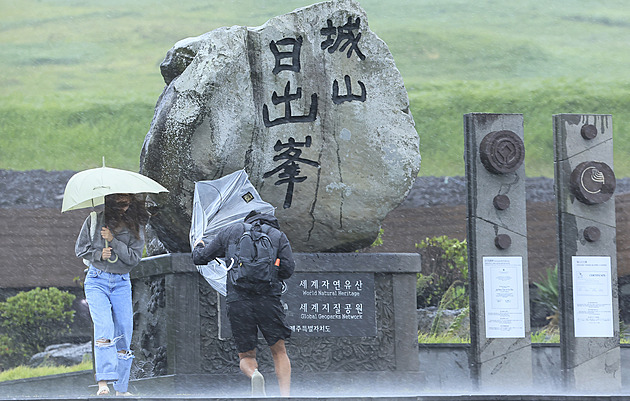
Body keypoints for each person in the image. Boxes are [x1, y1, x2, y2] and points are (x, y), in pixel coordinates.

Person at [192, 210, 295, 397]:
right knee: (279, 351)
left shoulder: (231, 231)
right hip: (268, 300)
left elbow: (200, 258)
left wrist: (199, 245)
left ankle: (254, 374)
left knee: (247, 355)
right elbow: (288, 269)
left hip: (239, 300)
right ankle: (285, 395)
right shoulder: (277, 236)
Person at [75, 193, 149, 396]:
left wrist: (113, 241)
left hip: (121, 282)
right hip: (97, 280)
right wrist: (99, 254)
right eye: (119, 203)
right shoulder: (94, 220)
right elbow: (80, 249)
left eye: (126, 203)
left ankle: (121, 388)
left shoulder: (136, 226)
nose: (123, 208)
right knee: (104, 328)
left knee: (124, 331)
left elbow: (134, 259)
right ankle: (103, 383)